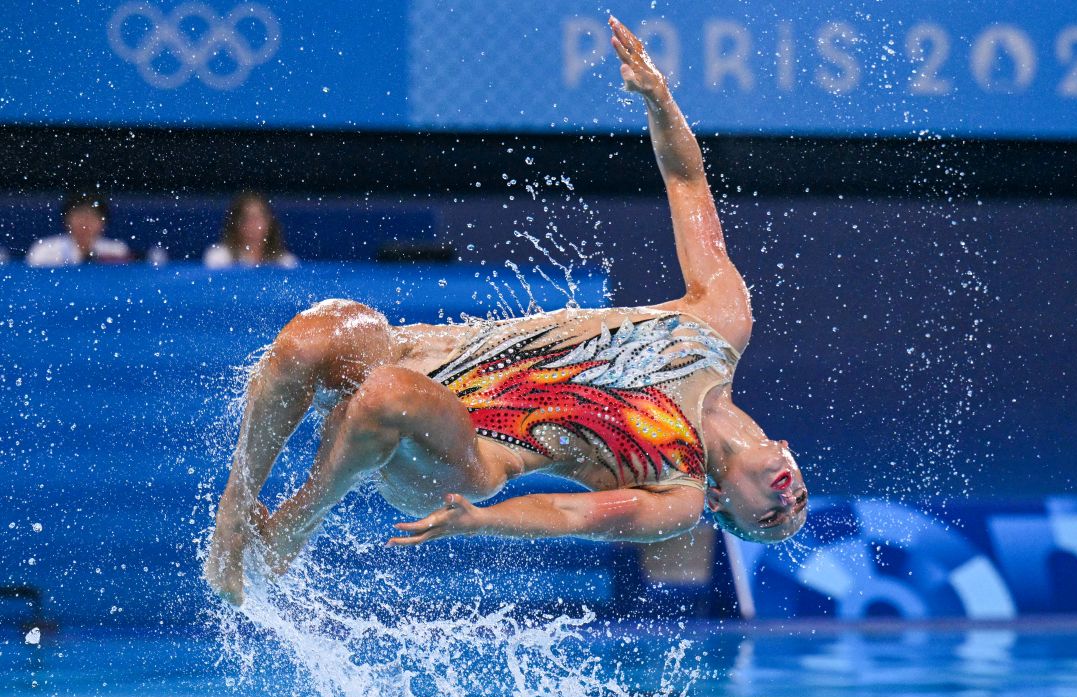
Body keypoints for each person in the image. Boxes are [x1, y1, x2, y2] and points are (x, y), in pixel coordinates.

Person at [205, 18, 808, 605]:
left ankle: (293, 525)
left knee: (388, 393)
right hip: (431, 357)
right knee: (313, 338)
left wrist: (483, 521)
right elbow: (686, 181)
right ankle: (235, 512)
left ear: (722, 504)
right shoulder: (720, 323)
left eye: (770, 522)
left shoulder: (678, 496)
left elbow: (575, 514)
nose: (788, 505)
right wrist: (660, 99)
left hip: (464, 453)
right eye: (797, 503)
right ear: (784, 448)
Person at [26, 193, 132, 266]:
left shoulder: (117, 250)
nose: (85, 223)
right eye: (79, 216)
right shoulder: (44, 250)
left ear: (103, 222)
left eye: (92, 217)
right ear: (67, 219)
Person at [203, 191, 298, 269]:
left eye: (258, 218)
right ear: (235, 224)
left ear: (270, 223)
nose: (253, 225)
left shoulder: (285, 263)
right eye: (247, 218)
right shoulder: (219, 258)